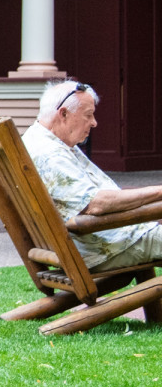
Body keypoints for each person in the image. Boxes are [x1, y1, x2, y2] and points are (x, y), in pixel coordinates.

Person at [24, 80, 162, 269]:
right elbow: (96, 204)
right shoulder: (50, 154)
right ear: (63, 114)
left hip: (108, 238)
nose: (94, 123)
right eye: (88, 115)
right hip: (111, 244)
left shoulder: (39, 140)